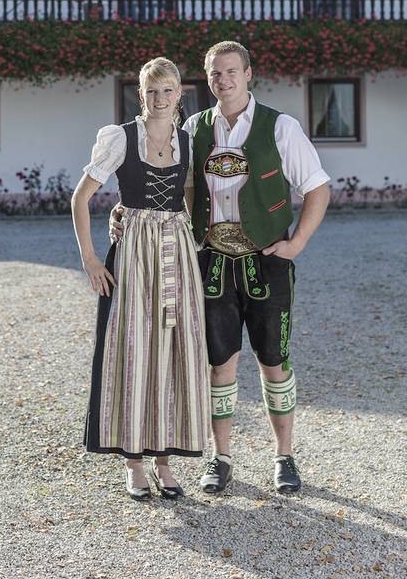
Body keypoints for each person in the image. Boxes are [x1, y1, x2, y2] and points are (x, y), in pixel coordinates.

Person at [110, 40, 330, 496]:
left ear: (249, 74)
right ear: (206, 80)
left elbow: (317, 188)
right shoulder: (192, 128)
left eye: (231, 72)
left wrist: (299, 242)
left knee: (274, 361)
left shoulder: (280, 126)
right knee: (219, 364)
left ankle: (284, 457)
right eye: (214, 74)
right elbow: (165, 181)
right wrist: (124, 209)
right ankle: (220, 457)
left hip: (267, 259)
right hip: (210, 260)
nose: (223, 81)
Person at [71, 57, 211, 500]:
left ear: (179, 95)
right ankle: (133, 463)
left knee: (171, 351)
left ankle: (164, 462)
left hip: (175, 254)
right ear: (141, 93)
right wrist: (91, 258)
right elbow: (80, 197)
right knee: (133, 349)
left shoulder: (187, 141)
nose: (159, 99)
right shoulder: (121, 138)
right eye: (151, 91)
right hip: (132, 254)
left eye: (167, 91)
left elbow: (188, 198)